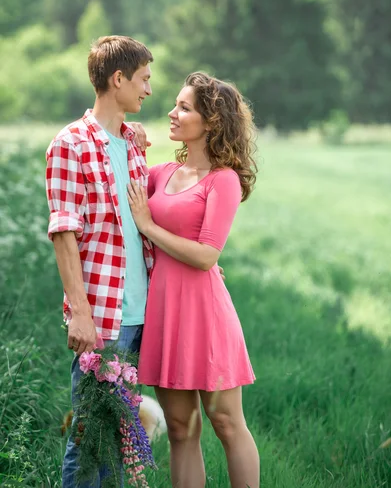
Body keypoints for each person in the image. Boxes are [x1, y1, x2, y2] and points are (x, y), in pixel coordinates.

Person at [127, 71, 260, 488]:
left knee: (225, 422)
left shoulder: (224, 180)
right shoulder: (160, 173)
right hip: (165, 312)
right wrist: (126, 136)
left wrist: (149, 226)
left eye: (184, 107)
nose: (172, 112)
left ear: (211, 121)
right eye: (175, 104)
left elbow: (206, 256)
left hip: (206, 314)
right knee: (181, 429)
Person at [45, 35, 154, 488]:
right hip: (103, 318)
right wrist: (81, 313)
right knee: (90, 437)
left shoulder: (132, 144)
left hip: (142, 315)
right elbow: (64, 233)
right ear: (118, 78)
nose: (149, 89)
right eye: (144, 79)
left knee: (120, 436)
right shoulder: (70, 144)